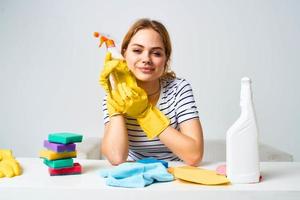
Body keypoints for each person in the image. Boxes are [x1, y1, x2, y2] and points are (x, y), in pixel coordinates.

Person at [100, 18, 203, 166]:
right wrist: (115, 97)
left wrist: (145, 113)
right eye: (137, 50)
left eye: (156, 53)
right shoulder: (114, 94)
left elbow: (194, 155)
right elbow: (116, 157)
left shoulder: (178, 89)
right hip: (134, 174)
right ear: (124, 54)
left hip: (175, 173)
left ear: (166, 59)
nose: (146, 59)